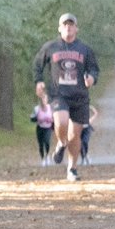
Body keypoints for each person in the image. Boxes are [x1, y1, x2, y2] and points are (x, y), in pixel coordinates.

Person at [32, 13, 101, 182]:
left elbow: (94, 69)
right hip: (58, 94)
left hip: (79, 96)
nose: (68, 27)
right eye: (65, 25)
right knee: (61, 122)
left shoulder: (85, 50)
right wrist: (39, 81)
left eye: (71, 24)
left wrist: (91, 78)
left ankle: (72, 168)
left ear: (76, 28)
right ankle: (61, 143)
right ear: (59, 28)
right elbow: (37, 65)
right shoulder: (51, 47)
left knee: (75, 135)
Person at [31, 95, 55, 166]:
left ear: (47, 100)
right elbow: (32, 118)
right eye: (42, 100)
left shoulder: (50, 108)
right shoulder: (37, 109)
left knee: (47, 142)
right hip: (40, 128)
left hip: (48, 128)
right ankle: (42, 159)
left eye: (45, 99)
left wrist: (51, 120)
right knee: (41, 144)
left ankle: (47, 155)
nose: (43, 101)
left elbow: (54, 117)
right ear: (40, 101)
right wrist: (37, 119)